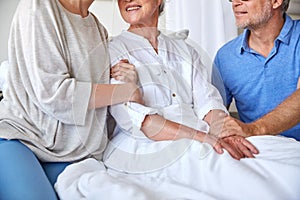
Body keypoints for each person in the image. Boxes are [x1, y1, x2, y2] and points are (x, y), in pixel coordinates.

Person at [0, 0, 142, 199]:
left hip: (73, 156)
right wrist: (126, 92)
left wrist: (126, 81)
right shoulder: (39, 6)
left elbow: (99, 110)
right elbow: (55, 95)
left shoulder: (98, 29)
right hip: (20, 138)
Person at [107, 0, 258, 166]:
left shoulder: (185, 50)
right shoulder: (113, 51)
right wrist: (202, 138)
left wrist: (225, 132)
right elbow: (136, 118)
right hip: (146, 147)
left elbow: (207, 101)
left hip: (202, 137)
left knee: (267, 156)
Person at [212, 0, 300, 140]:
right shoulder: (225, 57)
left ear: (276, 1)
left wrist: (253, 129)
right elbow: (215, 114)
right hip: (258, 153)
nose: (235, 3)